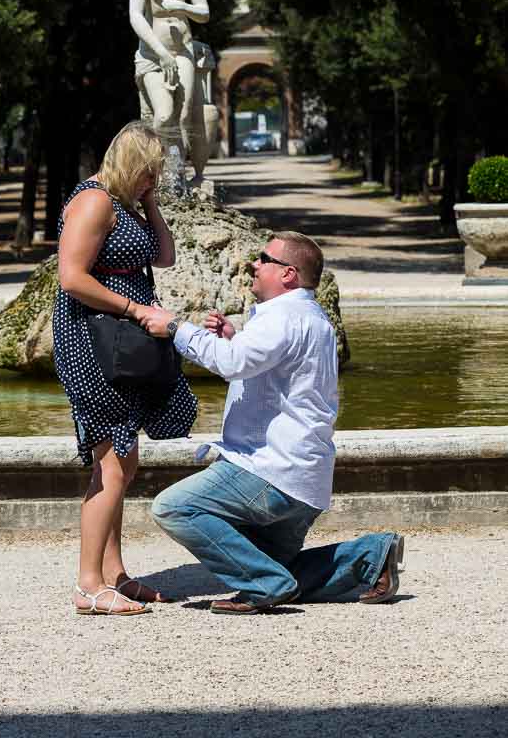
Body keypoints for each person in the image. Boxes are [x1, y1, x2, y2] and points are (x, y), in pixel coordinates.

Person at [142, 232, 404, 614]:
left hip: (269, 473)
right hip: (305, 481)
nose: (254, 264)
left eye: (264, 258)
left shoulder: (282, 316)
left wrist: (175, 327)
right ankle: (369, 556)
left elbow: (231, 364)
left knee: (173, 507)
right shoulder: (313, 319)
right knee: (274, 569)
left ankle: (264, 584)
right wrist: (234, 339)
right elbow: (261, 368)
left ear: (288, 274)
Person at [54, 122, 198, 616]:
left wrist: (151, 203)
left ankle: (114, 574)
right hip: (93, 340)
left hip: (121, 340)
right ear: (133, 164)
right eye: (150, 172)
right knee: (112, 461)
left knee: (124, 460)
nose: (153, 179)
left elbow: (164, 254)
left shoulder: (125, 204)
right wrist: (134, 309)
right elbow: (71, 277)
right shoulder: (94, 202)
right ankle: (89, 584)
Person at [129, 0, 210, 184]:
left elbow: (204, 12)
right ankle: (160, 171)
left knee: (184, 113)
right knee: (163, 116)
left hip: (183, 49)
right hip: (154, 52)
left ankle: (175, 177)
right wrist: (161, 53)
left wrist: (180, 5)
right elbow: (135, 15)